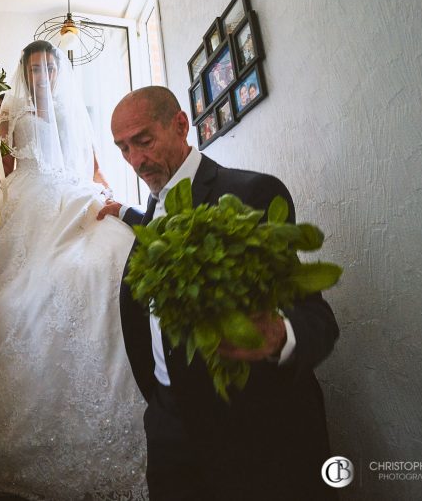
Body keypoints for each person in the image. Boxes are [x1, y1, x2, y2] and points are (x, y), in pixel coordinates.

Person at [107, 86, 339, 500]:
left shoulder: (251, 194)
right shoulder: (150, 215)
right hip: (167, 430)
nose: (136, 161)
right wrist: (159, 408)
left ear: (181, 125)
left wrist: (279, 335)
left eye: (143, 141)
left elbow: (315, 317)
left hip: (249, 434)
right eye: (123, 149)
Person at [0, 41, 147, 500]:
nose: (43, 74)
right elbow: (3, 166)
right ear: (25, 72)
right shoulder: (10, 109)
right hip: (29, 196)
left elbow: (90, 163)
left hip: (74, 193)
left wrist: (113, 198)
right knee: (22, 297)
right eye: (35, 68)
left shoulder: (76, 108)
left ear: (58, 70)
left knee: (110, 253)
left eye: (49, 67)